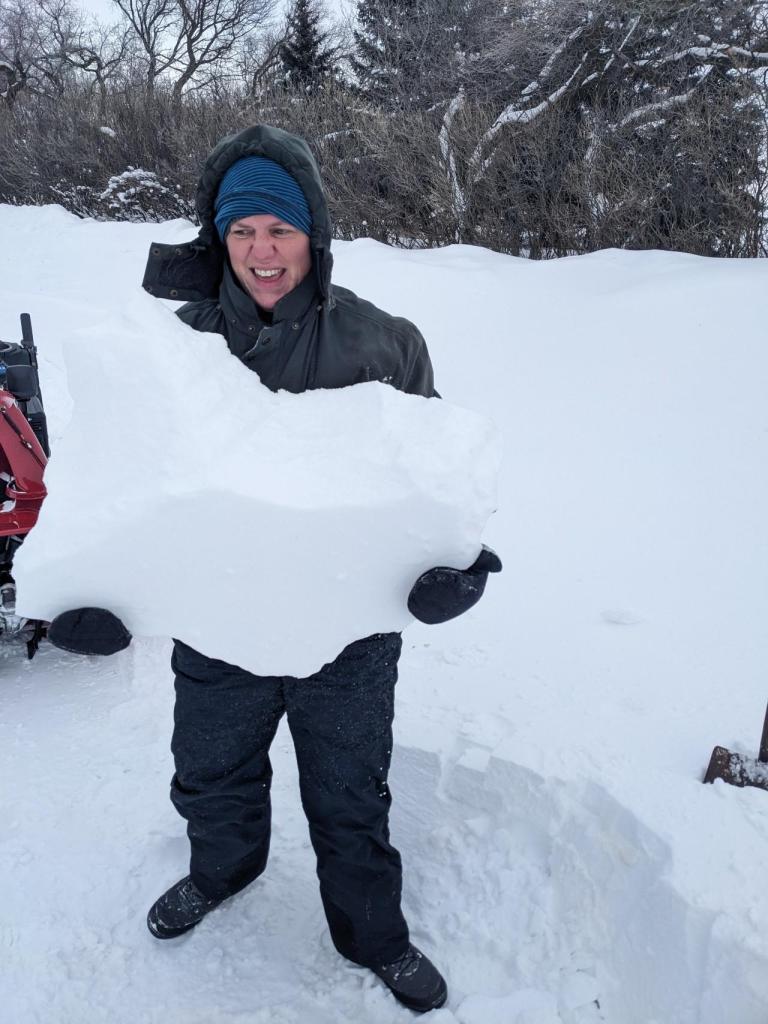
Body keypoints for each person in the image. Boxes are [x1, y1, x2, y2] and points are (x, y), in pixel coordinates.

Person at [48, 124, 501, 1015]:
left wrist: (460, 566)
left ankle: (372, 934)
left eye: (281, 229)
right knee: (209, 776)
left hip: (349, 636)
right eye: (243, 229)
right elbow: (121, 489)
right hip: (218, 628)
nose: (263, 250)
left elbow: (440, 479)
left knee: (349, 793)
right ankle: (223, 870)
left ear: (313, 234)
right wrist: (91, 596)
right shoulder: (172, 349)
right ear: (219, 237)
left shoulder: (384, 344)